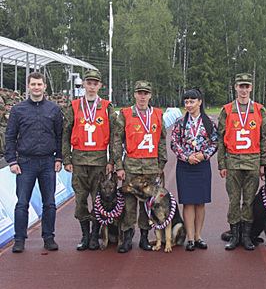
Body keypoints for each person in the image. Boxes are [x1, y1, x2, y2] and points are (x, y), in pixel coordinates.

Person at [5, 72, 63, 253]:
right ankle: (19, 239)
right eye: (33, 84)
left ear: (45, 87)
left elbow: (60, 136)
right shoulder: (17, 110)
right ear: (28, 87)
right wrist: (12, 160)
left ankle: (49, 237)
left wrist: (59, 157)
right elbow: (10, 136)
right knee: (22, 202)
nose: (36, 87)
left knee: (49, 203)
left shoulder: (54, 109)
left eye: (39, 84)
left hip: (48, 162)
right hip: (25, 162)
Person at [62, 70, 117, 251]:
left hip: (99, 160)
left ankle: (95, 235)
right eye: (89, 83)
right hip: (78, 160)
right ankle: (84, 235)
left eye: (95, 83)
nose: (92, 86)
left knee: (98, 199)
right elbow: (66, 133)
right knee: (80, 199)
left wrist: (112, 161)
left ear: (100, 86)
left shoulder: (107, 107)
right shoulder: (74, 106)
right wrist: (66, 158)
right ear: (83, 84)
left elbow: (114, 135)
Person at [217, 73, 266, 251]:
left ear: (251, 88)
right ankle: (234, 235)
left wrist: (264, 163)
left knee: (248, 201)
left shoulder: (259, 109)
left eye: (246, 86)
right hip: (233, 161)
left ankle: (246, 236)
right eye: (241, 86)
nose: (243, 90)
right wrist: (222, 164)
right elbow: (221, 138)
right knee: (234, 200)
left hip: (252, 161)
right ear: (235, 87)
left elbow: (265, 138)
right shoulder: (227, 110)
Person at [113, 80, 167, 253]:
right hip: (131, 166)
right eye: (139, 93)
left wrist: (161, 164)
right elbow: (116, 141)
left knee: (147, 205)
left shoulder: (158, 114)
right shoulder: (125, 113)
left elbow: (162, 140)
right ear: (134, 95)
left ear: (150, 95)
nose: (142, 97)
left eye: (146, 93)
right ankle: (128, 237)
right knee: (129, 204)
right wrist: (119, 166)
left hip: (151, 166)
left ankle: (144, 237)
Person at [171, 88, 218, 251]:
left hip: (202, 165)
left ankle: (198, 236)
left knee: (200, 202)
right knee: (188, 202)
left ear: (200, 102)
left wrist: (204, 155)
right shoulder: (179, 122)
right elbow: (174, 143)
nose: (189, 105)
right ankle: (190, 238)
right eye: (186, 102)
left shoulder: (209, 122)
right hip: (185, 166)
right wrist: (186, 157)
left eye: (192, 101)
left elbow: (215, 142)